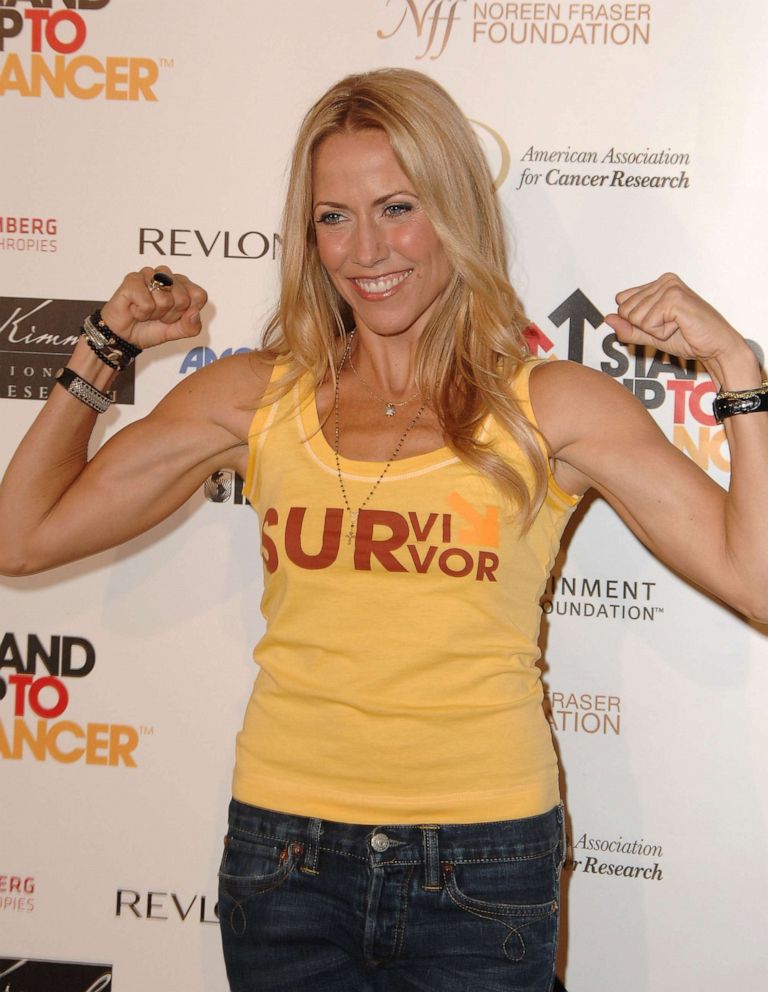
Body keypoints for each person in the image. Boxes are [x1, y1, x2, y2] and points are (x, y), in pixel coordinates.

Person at [0, 68, 766, 992]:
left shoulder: (553, 405)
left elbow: (754, 583)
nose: (368, 249)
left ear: (454, 211)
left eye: (398, 207)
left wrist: (736, 369)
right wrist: (106, 343)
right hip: (285, 861)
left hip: (483, 863)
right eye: (334, 216)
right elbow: (23, 538)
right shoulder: (256, 397)